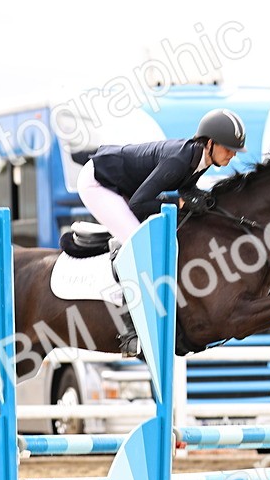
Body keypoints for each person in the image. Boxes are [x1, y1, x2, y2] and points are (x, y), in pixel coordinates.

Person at [76, 108, 247, 355]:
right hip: (98, 182)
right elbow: (138, 204)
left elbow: (182, 190)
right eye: (228, 148)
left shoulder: (202, 160)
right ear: (210, 143)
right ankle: (129, 330)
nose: (232, 154)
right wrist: (179, 203)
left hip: (123, 184)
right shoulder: (180, 160)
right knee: (139, 245)